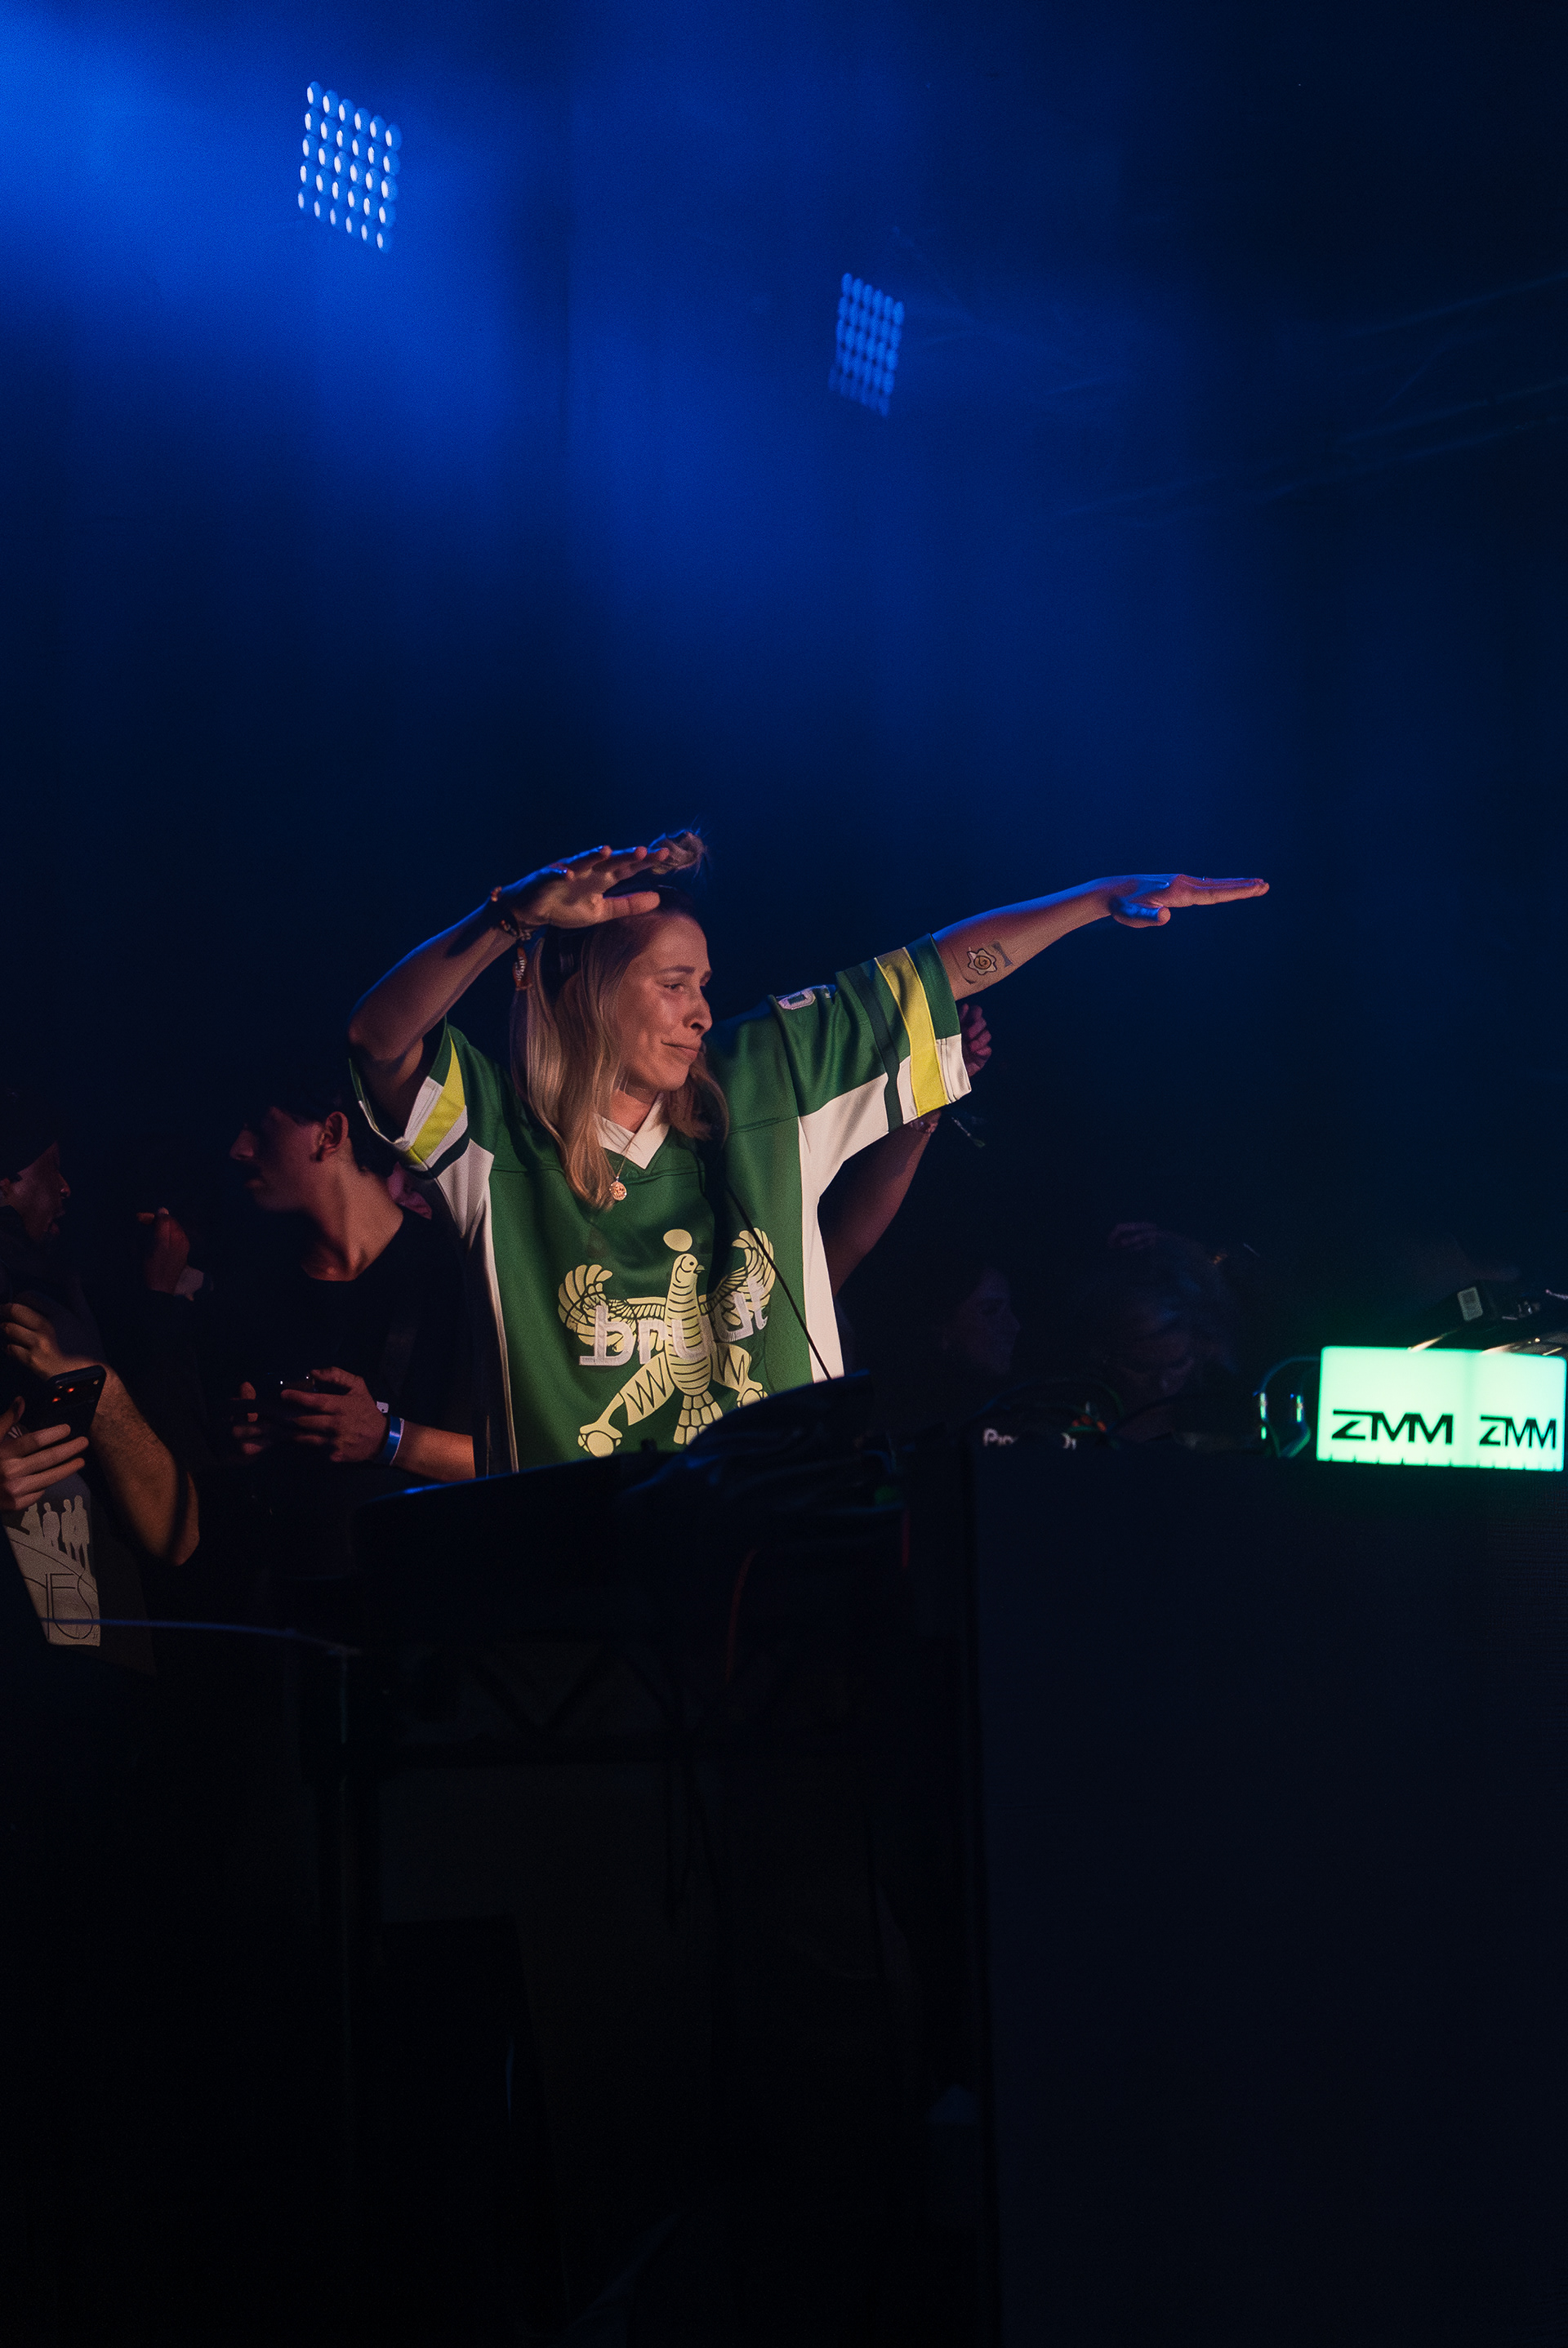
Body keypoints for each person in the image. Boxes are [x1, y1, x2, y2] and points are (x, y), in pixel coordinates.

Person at [347, 836, 1267, 1472]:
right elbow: (378, 1040)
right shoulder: (498, 1139)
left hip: (781, 1553)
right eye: (674, 984)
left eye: (705, 984)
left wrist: (1098, 900)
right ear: (588, 990)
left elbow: (938, 967)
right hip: (584, 1578)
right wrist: (509, 917)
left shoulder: (755, 1083)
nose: (702, 1010)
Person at [1, 1088, 198, 1654]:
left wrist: (101, 1378)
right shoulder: (33, 1305)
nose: (66, 1187)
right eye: (52, 1166)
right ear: (5, 1184)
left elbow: (177, 1533)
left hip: (87, 1640)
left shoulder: (59, 1297)